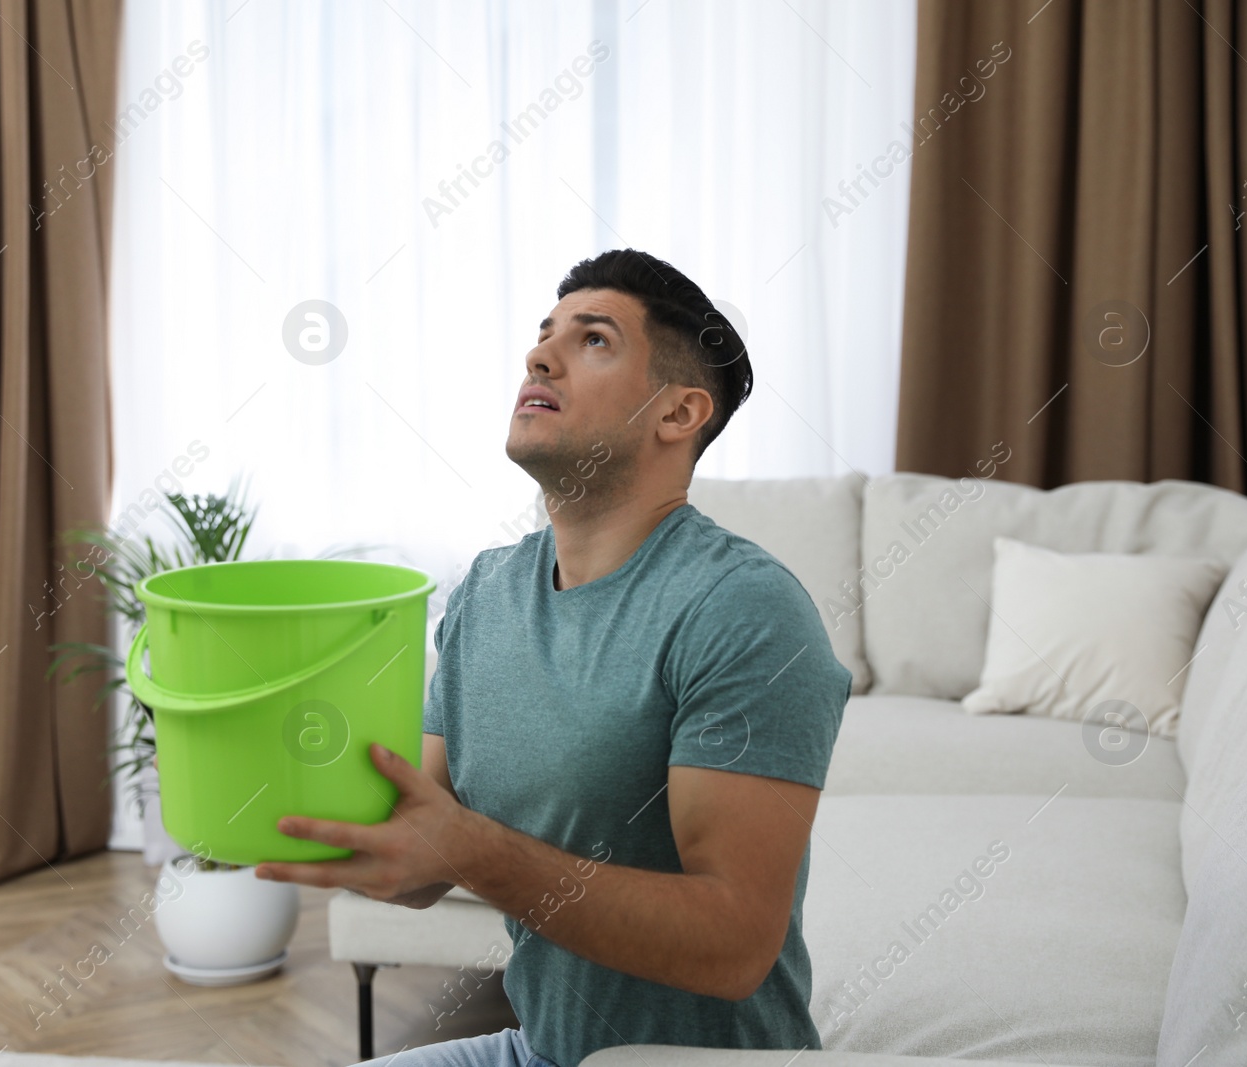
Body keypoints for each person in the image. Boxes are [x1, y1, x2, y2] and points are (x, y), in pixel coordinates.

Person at [255, 249, 853, 1067]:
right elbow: (417, 861)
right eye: (545, 333)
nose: (541, 355)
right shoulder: (485, 593)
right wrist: (264, 773)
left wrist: (469, 847)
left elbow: (734, 945)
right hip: (542, 1051)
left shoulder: (743, 609)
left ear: (676, 413)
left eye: (594, 339)